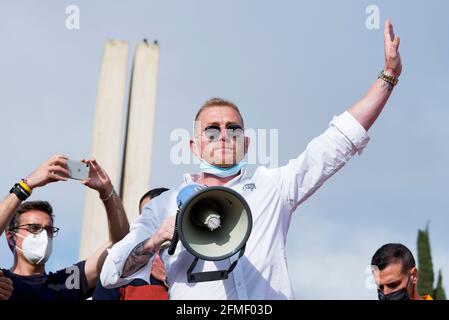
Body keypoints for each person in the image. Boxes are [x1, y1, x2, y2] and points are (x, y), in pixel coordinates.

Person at [100, 20, 403, 299]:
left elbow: (336, 142)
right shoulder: (163, 205)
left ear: (245, 144)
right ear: (194, 145)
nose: (223, 136)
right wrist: (156, 240)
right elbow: (110, 273)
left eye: (233, 129)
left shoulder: (272, 186)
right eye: (212, 130)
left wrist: (388, 76)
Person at [0, 154, 129, 300]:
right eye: (33, 228)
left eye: (48, 230)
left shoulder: (68, 282)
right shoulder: (3, 282)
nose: (43, 235)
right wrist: (26, 185)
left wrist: (107, 191)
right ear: (11, 237)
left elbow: (121, 244)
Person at [92, 187, 169, 300]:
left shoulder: (196, 262)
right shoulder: (119, 269)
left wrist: (171, 279)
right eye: (146, 217)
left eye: (160, 216)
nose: (154, 224)